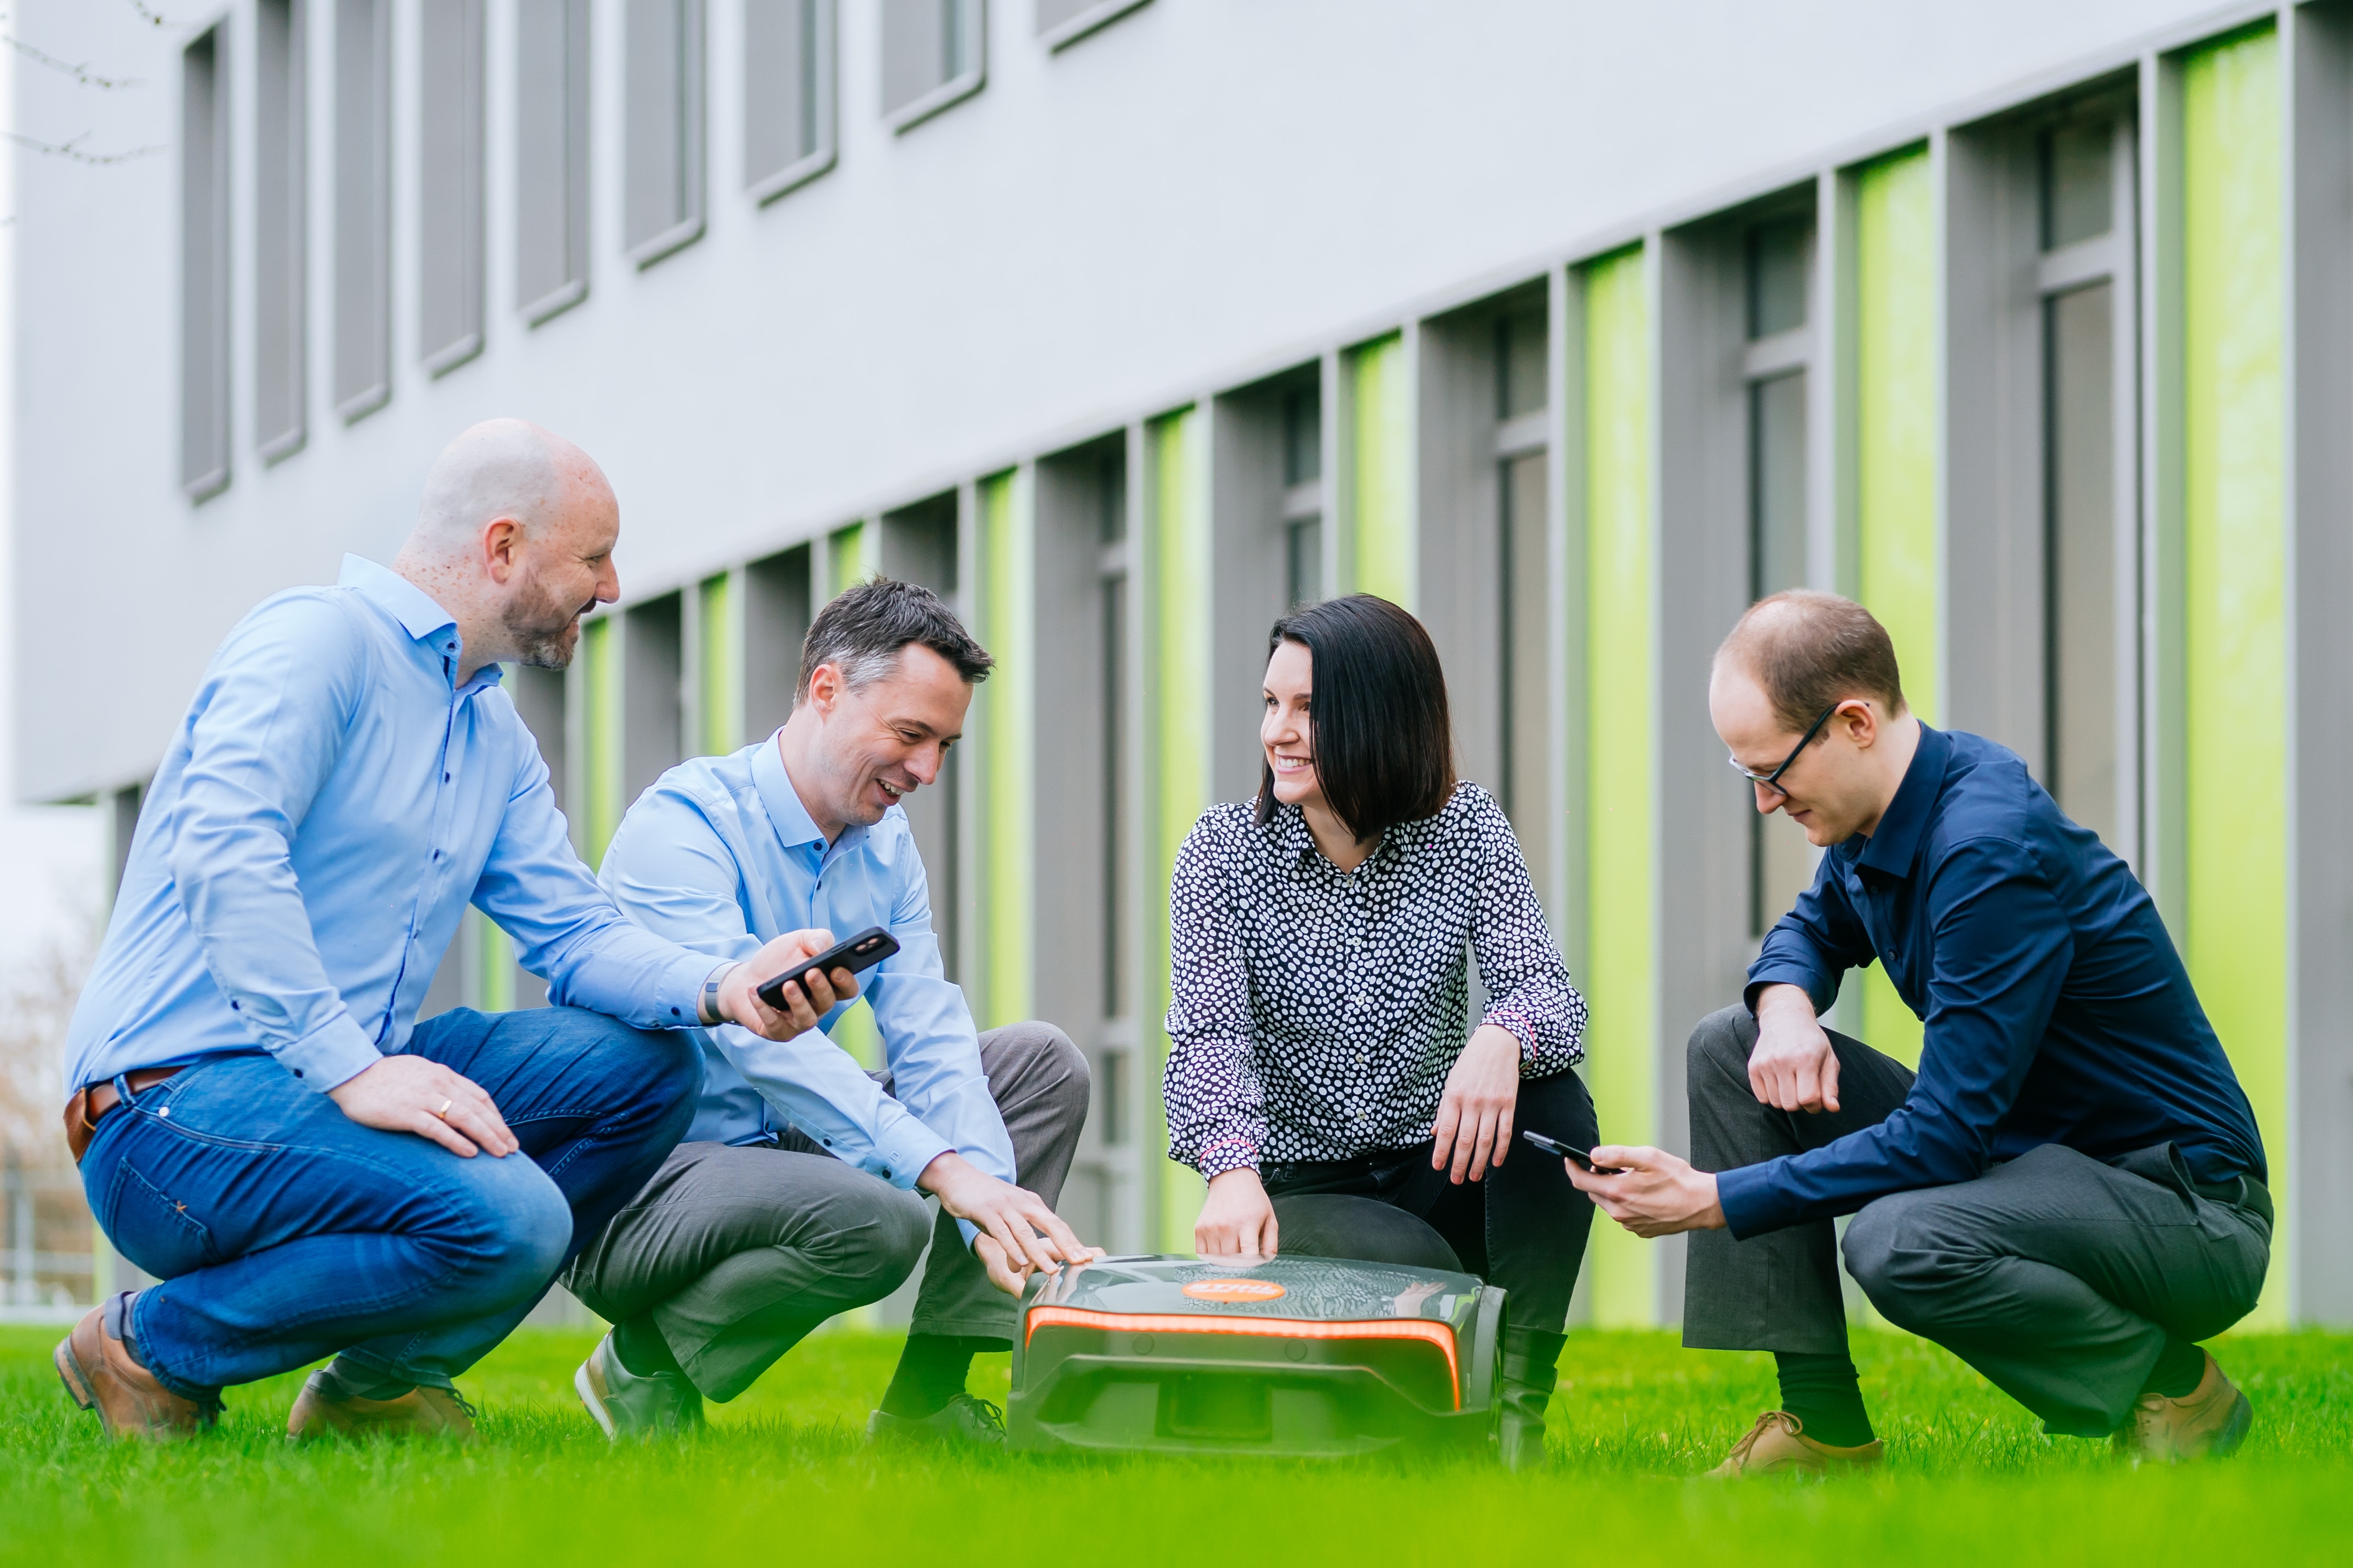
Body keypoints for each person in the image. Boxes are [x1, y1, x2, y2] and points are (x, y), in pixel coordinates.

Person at [51, 420, 840, 1443]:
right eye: (593, 558)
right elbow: (225, 855)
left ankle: (377, 1387)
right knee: (515, 1218)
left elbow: (572, 930)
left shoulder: (489, 731)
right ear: (503, 548)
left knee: (647, 1067)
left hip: (330, 1080)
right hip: (167, 1109)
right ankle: (150, 1347)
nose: (610, 588)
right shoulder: (314, 642)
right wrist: (350, 1067)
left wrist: (726, 985)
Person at [1569, 590, 2270, 1474]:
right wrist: (1785, 1010)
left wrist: (1716, 1198)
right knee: (1730, 1042)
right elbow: (1811, 931)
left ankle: (2178, 1389)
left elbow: (1944, 1137)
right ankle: (1825, 1427)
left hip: (2181, 1211)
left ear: (1853, 721)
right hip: (2028, 1160)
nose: (1763, 801)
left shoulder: (1985, 852)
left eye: (1771, 772)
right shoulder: (1888, 812)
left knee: (1899, 1241)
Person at [561, 578, 1099, 1447]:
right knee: (877, 1216)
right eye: (910, 735)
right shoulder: (683, 826)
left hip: (786, 1151)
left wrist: (994, 1195)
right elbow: (768, 1046)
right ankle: (644, 1364)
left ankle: (928, 1409)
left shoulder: (884, 845)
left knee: (1039, 1065)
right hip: (641, 1183)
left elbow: (930, 1033)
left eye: (944, 746)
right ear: (825, 690)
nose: (926, 771)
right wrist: (945, 1172)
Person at [1163, 594, 1596, 1469]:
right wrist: (1231, 1171)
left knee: (1557, 1108)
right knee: (1409, 1258)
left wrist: (1501, 1035)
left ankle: (1518, 1414)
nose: (1277, 732)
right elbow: (1210, 1034)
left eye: (1307, 709)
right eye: (1270, 704)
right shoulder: (1218, 853)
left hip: (1440, 1160)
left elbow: (1548, 993)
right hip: (1304, 1189)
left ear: (1382, 715)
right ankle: (1441, 1396)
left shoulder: (1467, 829)